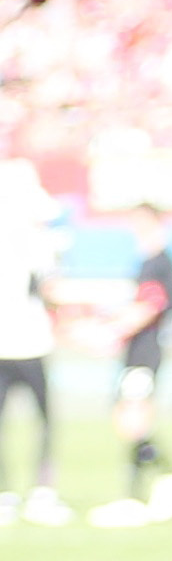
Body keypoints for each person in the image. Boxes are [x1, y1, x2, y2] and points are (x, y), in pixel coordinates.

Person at [107, 217, 172, 519]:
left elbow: (150, 306)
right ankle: (141, 486)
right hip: (136, 351)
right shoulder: (147, 262)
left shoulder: (159, 262)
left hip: (146, 353)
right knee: (127, 419)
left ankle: (165, 474)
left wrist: (113, 330)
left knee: (133, 419)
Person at [0, 172, 60, 522]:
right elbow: (51, 289)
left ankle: (8, 493)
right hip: (29, 343)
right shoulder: (36, 241)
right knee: (44, 420)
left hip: (18, 342)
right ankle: (41, 493)